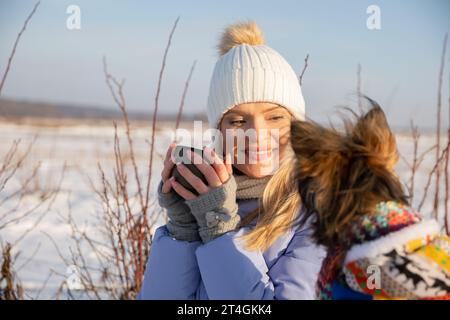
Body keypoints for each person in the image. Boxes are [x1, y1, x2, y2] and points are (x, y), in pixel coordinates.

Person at [137, 20, 326, 300]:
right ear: (220, 132)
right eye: (238, 120)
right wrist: (183, 230)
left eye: (275, 117)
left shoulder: (318, 213)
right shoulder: (208, 200)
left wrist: (220, 229)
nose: (257, 134)